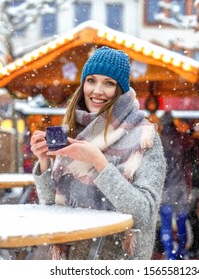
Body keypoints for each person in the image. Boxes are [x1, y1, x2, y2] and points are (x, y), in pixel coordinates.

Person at [29, 46, 166, 260]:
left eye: (109, 83)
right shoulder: (75, 129)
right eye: (91, 80)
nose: (97, 90)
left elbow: (144, 213)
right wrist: (44, 161)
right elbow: (52, 206)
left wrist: (98, 162)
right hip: (69, 258)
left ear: (120, 90)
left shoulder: (143, 135)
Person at [158, 112, 190, 260]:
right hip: (182, 189)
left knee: (166, 225)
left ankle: (170, 255)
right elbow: (189, 166)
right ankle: (181, 253)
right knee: (181, 222)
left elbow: (159, 170)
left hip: (166, 190)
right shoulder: (182, 141)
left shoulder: (159, 142)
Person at [184, 126, 199, 259]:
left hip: (193, 184)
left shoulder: (193, 146)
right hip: (194, 184)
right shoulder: (197, 145)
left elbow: (194, 168)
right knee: (192, 215)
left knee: (191, 215)